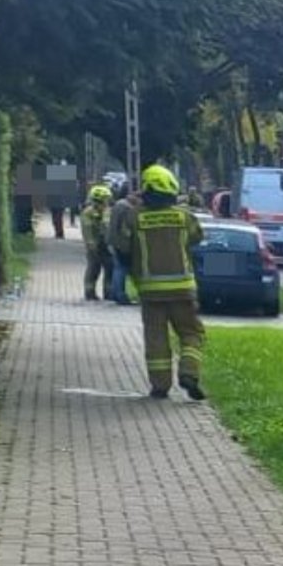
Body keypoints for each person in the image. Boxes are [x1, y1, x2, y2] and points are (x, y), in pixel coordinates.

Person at [115, 164, 207, 401]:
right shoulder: (185, 217)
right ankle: (189, 373)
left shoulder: (134, 217)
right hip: (183, 290)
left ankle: (160, 387)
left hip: (150, 292)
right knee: (191, 333)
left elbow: (121, 245)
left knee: (156, 339)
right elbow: (197, 238)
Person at [107, 184, 138, 305]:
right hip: (123, 244)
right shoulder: (127, 208)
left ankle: (116, 293)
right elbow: (126, 229)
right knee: (122, 269)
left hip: (114, 241)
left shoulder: (118, 204)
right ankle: (120, 295)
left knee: (118, 268)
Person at [82, 185, 114, 300]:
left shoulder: (107, 212)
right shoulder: (88, 213)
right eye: (106, 200)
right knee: (93, 269)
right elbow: (87, 230)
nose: (108, 202)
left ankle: (109, 292)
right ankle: (89, 292)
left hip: (106, 245)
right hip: (94, 245)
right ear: (99, 200)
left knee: (110, 268)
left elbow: (108, 228)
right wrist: (91, 245)